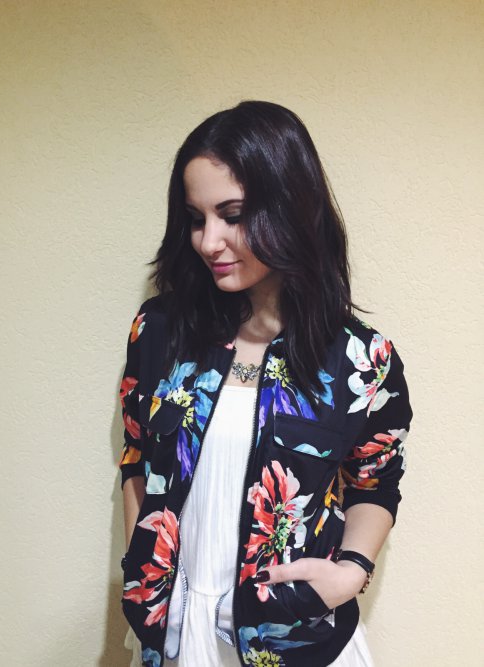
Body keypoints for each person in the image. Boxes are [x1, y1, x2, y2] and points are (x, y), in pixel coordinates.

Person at [118, 100, 413, 667]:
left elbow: (376, 484)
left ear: (291, 210)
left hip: (291, 636)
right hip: (174, 633)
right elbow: (137, 456)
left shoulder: (361, 361)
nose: (209, 241)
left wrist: (349, 573)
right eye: (196, 218)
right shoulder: (158, 331)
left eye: (233, 215)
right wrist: (141, 569)